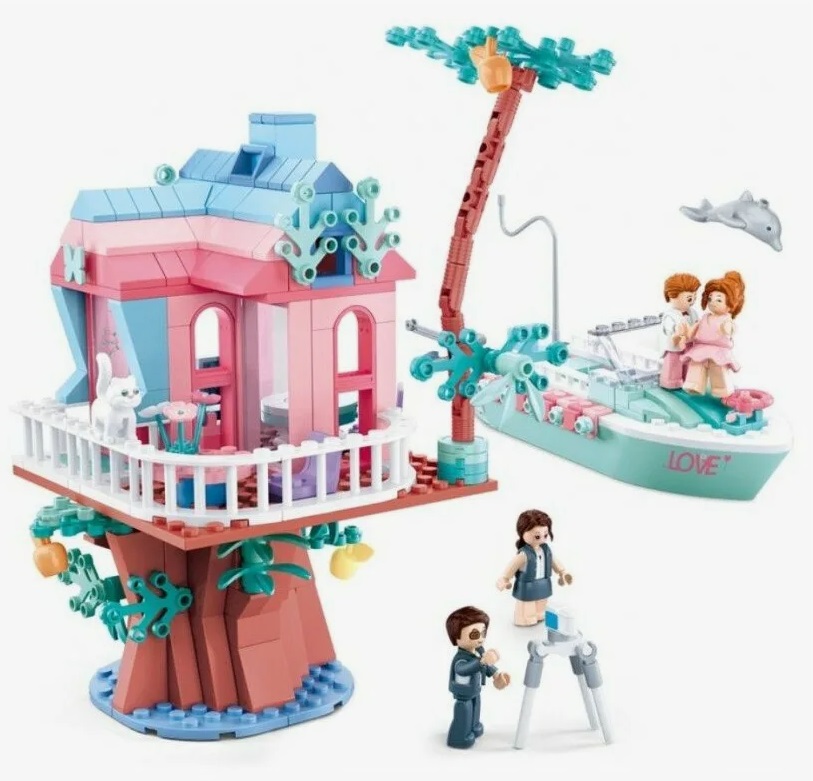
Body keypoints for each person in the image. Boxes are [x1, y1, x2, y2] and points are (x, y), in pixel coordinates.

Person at [445, 606, 511, 749]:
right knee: (464, 713)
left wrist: (496, 675)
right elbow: (462, 669)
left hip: (475, 691)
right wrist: (482, 661)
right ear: (456, 637)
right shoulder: (460, 658)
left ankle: (474, 726)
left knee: (475, 710)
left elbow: (485, 666)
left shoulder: (478, 652)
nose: (480, 638)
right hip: (463, 695)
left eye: (483, 633)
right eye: (474, 634)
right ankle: (459, 736)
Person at [496, 509, 572, 626]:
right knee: (527, 606)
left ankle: (540, 614)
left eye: (545, 534)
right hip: (527, 586)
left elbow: (554, 561)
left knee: (542, 603)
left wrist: (562, 572)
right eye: (537, 536)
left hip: (544, 584)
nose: (542, 538)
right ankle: (525, 618)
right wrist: (504, 579)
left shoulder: (546, 550)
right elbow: (511, 567)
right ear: (522, 533)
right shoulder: (524, 554)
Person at [681, 271, 745, 398]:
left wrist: (728, 328)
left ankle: (722, 390)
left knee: (718, 370)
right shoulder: (705, 317)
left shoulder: (726, 319)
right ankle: (694, 385)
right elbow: (694, 330)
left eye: (719, 300)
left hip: (718, 350)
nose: (712, 302)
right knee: (696, 365)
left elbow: (731, 328)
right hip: (701, 348)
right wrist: (687, 335)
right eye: (710, 299)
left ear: (731, 303)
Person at [659, 273, 701, 389]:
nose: (693, 301)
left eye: (694, 297)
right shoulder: (670, 315)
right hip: (675, 347)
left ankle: (688, 380)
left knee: (689, 364)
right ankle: (671, 383)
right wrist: (678, 333)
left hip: (689, 345)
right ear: (672, 296)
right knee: (674, 364)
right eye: (689, 298)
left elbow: (696, 323)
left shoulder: (692, 312)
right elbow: (670, 330)